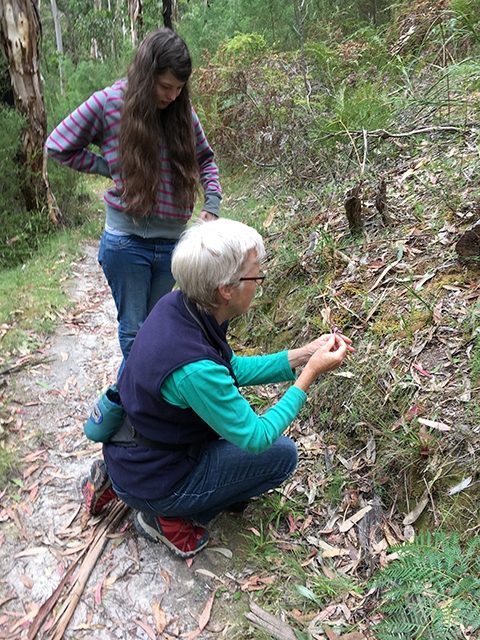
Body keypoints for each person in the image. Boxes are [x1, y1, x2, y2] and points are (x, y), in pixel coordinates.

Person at [82, 218, 354, 559]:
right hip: (155, 473)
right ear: (226, 289)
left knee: (228, 440)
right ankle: (162, 518)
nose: (260, 282)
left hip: (132, 449)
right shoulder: (195, 369)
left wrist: (301, 355)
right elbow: (256, 437)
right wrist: (309, 375)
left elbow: (231, 368)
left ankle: (120, 484)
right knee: (282, 457)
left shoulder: (178, 305)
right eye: (257, 275)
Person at [45, 28, 221, 369]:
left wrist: (211, 205)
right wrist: (107, 167)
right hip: (127, 244)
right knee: (134, 332)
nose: (172, 95)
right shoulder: (109, 103)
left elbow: (206, 160)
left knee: (155, 331)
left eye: (179, 88)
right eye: (165, 86)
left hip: (172, 244)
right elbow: (58, 144)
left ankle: (134, 405)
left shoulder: (182, 112)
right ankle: (138, 408)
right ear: (146, 75)